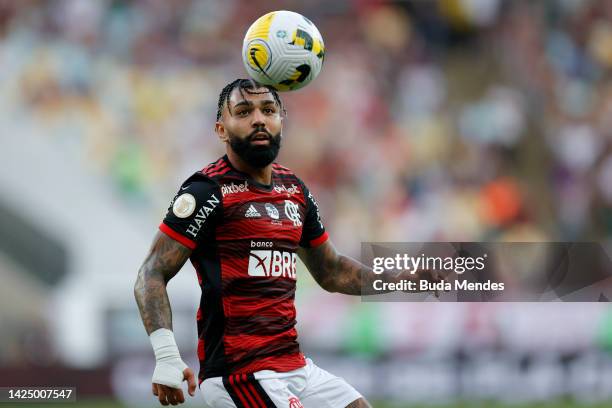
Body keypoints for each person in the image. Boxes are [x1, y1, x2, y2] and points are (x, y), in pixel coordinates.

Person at [134, 78, 432, 408]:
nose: (259, 118)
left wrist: (399, 279)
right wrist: (166, 356)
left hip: (294, 366)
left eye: (269, 109)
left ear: (280, 121)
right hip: (239, 373)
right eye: (244, 111)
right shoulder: (207, 190)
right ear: (221, 129)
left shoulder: (294, 189)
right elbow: (151, 273)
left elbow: (331, 271)